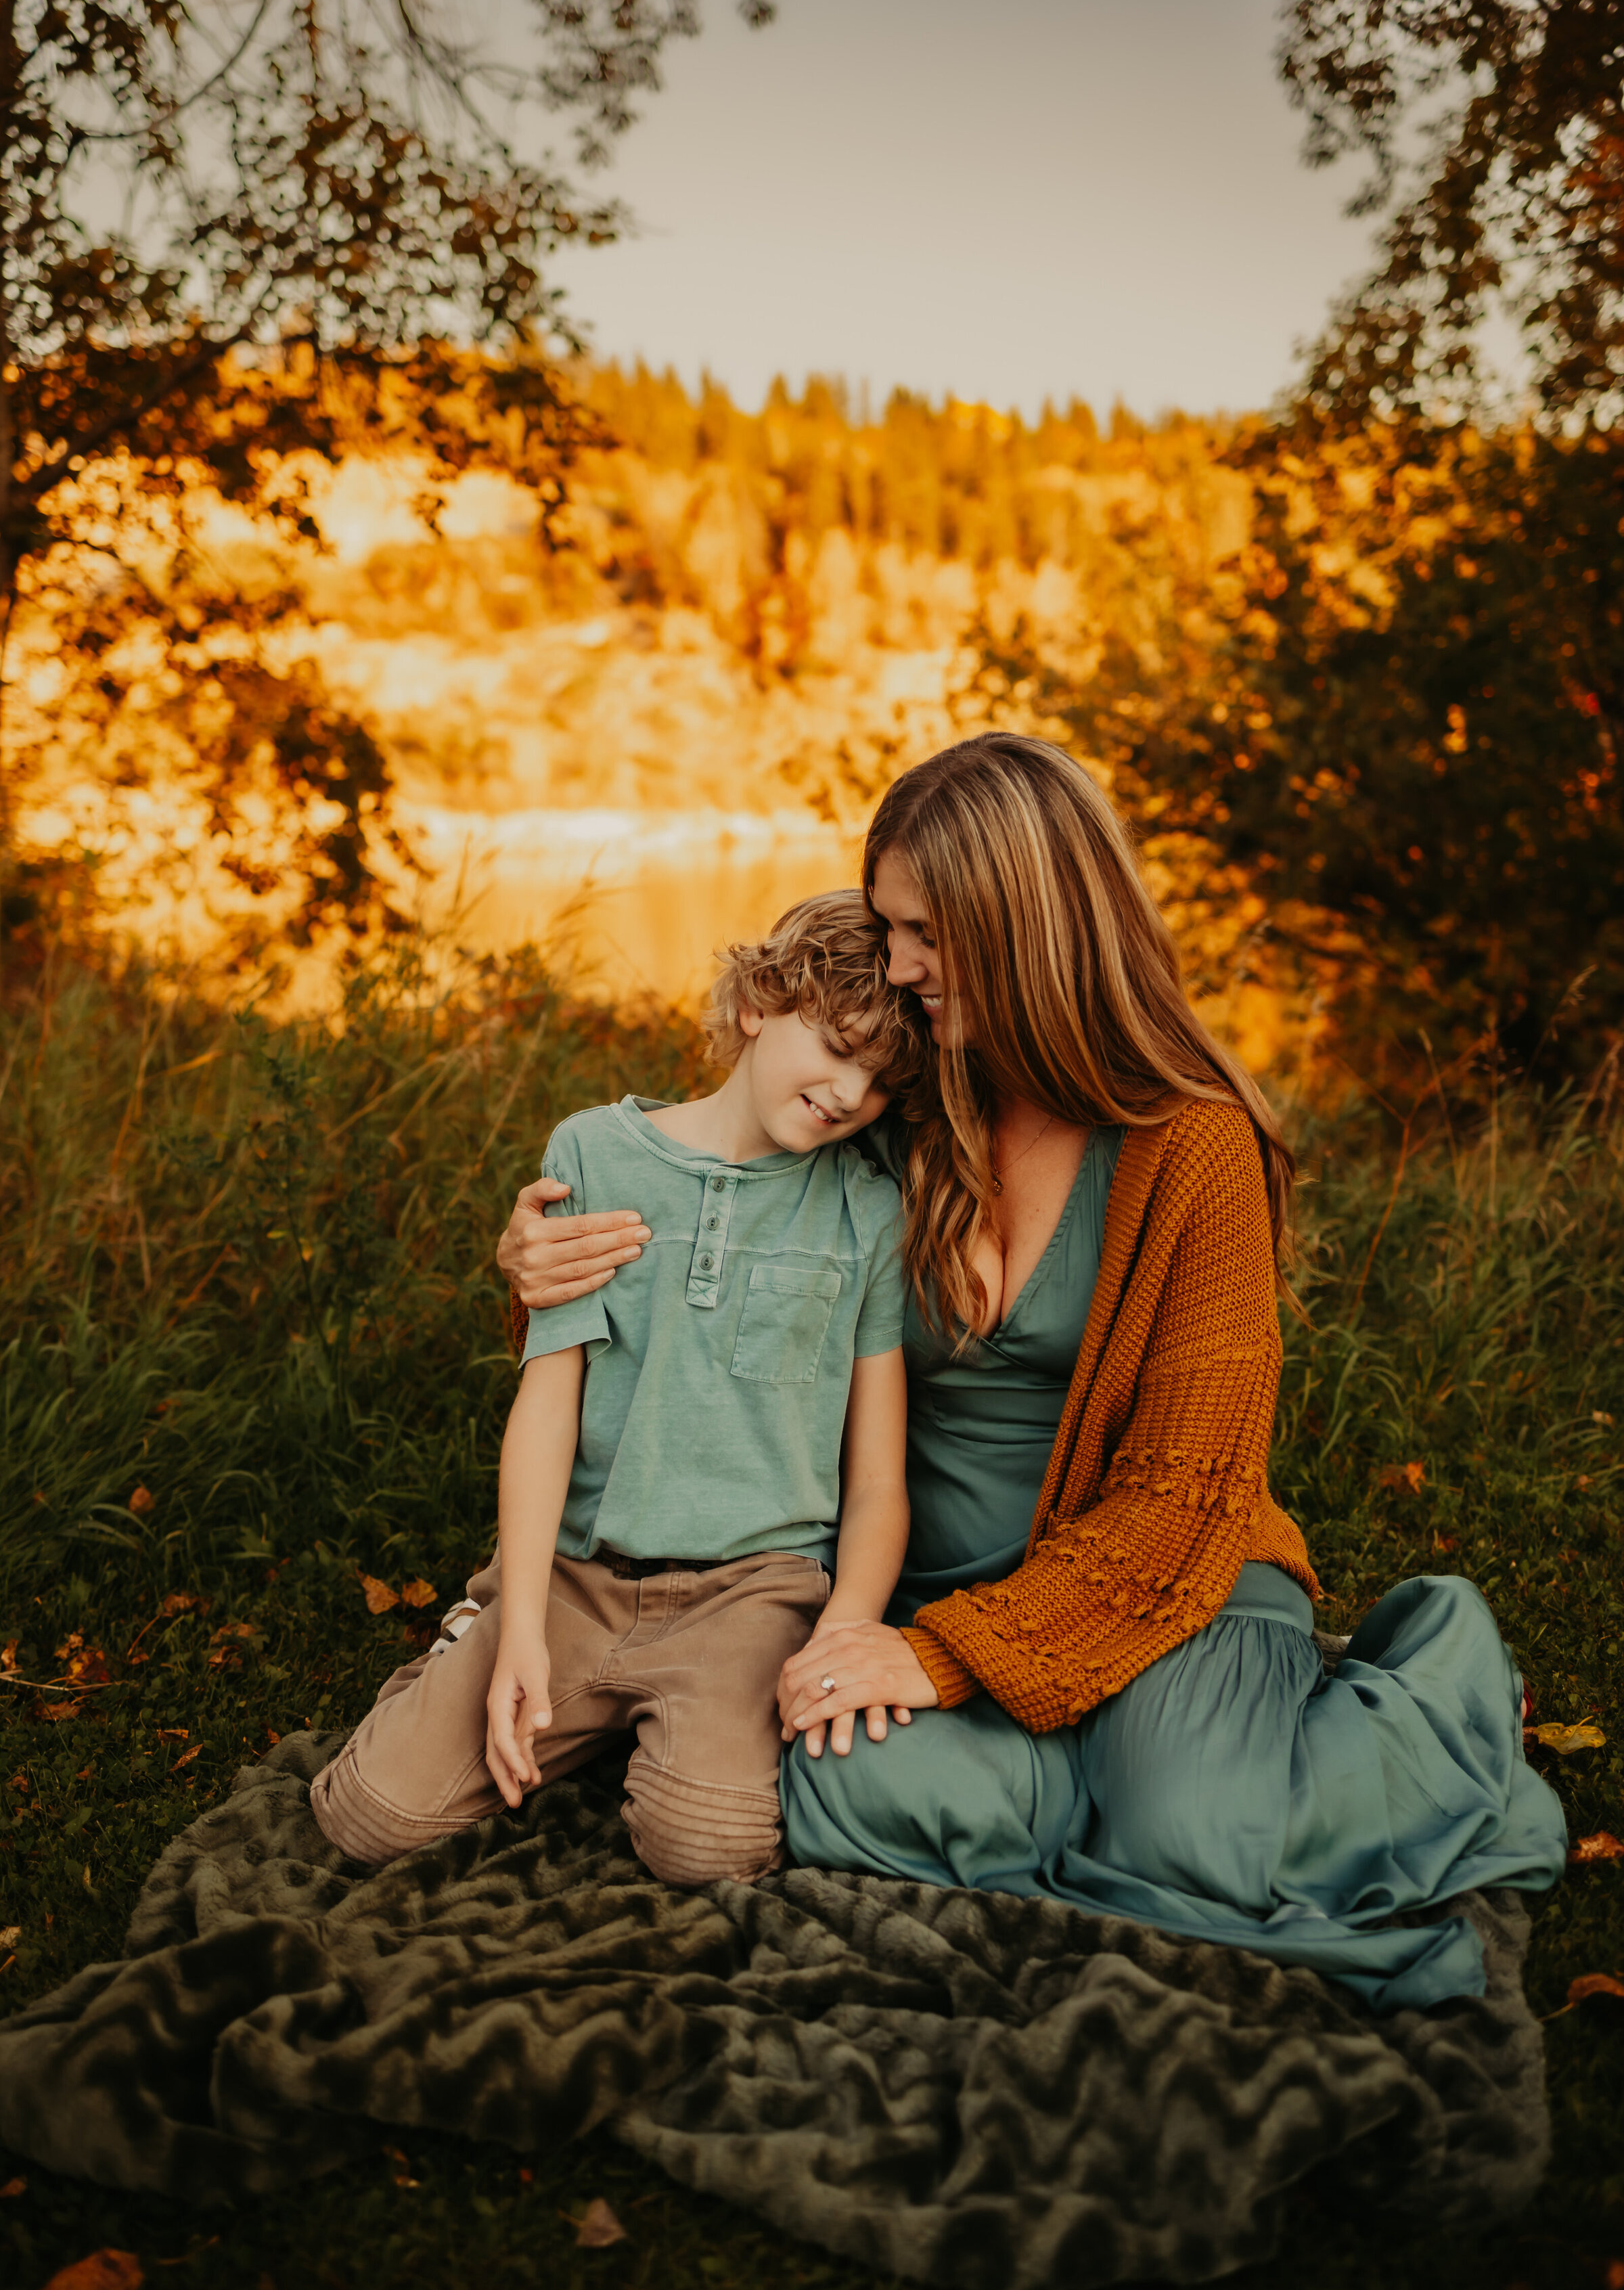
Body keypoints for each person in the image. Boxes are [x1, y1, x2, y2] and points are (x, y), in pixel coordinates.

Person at [499, 736, 1567, 2011]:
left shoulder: (1196, 1151)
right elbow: (711, 1175)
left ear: (1022, 921)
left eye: (921, 934)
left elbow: (1188, 1492)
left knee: (1200, 1859)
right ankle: (1117, 1786)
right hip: (924, 1592)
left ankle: (1417, 1694)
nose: (897, 969)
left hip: (1167, 1588)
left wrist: (948, 1666)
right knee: (838, 1791)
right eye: (888, 930)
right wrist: (547, 1249)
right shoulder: (902, 1101)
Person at [312, 890, 921, 1885]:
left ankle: (636, 1726)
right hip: (576, 1573)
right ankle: (483, 1644)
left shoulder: (868, 1209)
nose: (852, 1092)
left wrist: (845, 1625)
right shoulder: (593, 1154)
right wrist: (517, 1623)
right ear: (762, 1003)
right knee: (370, 1814)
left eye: (882, 1081)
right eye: (839, 1045)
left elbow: (881, 1479)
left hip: (751, 1594)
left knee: (710, 1846)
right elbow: (548, 1407)